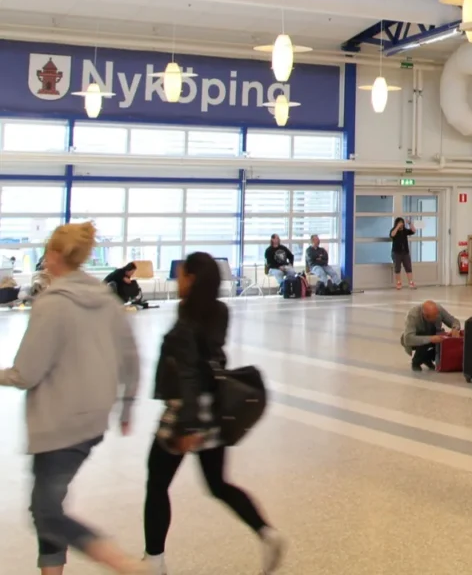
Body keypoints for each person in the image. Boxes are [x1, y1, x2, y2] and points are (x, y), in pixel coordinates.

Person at [0, 222, 142, 574]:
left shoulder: (51, 304)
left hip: (57, 422)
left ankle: (119, 562)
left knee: (45, 511)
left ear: (56, 255)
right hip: (93, 419)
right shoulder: (104, 298)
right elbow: (131, 357)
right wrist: (126, 407)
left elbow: (26, 374)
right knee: (50, 504)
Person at [144, 252, 285, 575]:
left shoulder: (187, 317)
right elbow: (212, 359)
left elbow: (189, 373)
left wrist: (188, 424)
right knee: (217, 483)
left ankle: (153, 561)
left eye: (180, 275)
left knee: (156, 483)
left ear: (191, 278)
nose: (177, 280)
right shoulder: (219, 311)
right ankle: (266, 533)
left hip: (186, 410)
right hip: (215, 409)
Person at [401, 301, 462, 372]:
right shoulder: (413, 315)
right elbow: (408, 339)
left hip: (435, 333)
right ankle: (416, 361)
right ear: (425, 316)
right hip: (419, 339)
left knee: (446, 342)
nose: (437, 317)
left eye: (437, 315)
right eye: (434, 317)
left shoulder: (438, 309)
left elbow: (454, 321)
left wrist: (455, 328)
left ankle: (426, 358)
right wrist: (431, 339)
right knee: (424, 338)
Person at [389, 217, 416, 290]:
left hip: (405, 253)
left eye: (402, 223)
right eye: (400, 223)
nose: (401, 224)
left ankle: (411, 282)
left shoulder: (405, 231)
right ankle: (398, 283)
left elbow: (413, 231)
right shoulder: (394, 230)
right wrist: (397, 227)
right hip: (396, 252)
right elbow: (392, 235)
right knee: (397, 268)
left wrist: (410, 223)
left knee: (408, 267)